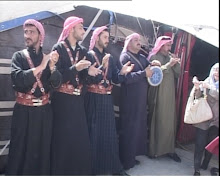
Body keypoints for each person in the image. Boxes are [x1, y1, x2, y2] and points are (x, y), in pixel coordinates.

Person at [6, 19, 61, 175]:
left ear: (40, 36)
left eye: (32, 32)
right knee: (20, 148)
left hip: (44, 112)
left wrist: (52, 68)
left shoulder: (47, 58)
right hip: (23, 111)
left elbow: (56, 84)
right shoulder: (19, 56)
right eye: (25, 32)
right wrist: (41, 67)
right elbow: (17, 78)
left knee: (42, 148)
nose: (27, 35)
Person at [50, 16, 101, 175]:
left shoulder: (84, 51)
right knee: (63, 140)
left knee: (78, 140)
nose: (83, 31)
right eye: (80, 27)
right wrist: (75, 68)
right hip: (62, 103)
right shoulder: (57, 49)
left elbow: (85, 78)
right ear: (71, 29)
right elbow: (55, 79)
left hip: (78, 102)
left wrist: (90, 74)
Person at [84, 26, 133, 175]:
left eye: (108, 38)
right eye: (104, 37)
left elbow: (115, 78)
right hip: (92, 99)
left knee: (109, 135)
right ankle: (92, 169)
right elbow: (87, 78)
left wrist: (123, 72)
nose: (107, 40)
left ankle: (114, 168)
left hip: (106, 100)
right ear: (97, 37)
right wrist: (101, 65)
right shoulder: (88, 56)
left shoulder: (110, 57)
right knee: (93, 134)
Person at [118, 33, 161, 170]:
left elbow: (150, 69)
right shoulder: (125, 57)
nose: (138, 42)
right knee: (128, 130)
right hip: (130, 101)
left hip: (140, 101)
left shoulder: (142, 58)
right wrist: (143, 74)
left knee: (137, 131)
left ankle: (131, 157)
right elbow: (126, 79)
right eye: (135, 40)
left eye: (139, 40)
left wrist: (154, 64)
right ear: (128, 43)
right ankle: (124, 161)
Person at [147, 35, 181, 162]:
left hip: (170, 95)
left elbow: (178, 73)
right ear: (160, 46)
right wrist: (168, 65)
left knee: (170, 122)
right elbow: (154, 73)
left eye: (170, 46)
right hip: (158, 94)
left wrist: (175, 63)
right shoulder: (153, 57)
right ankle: (154, 151)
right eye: (167, 45)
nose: (169, 48)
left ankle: (169, 150)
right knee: (158, 121)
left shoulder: (170, 57)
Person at [192, 63, 219, 176]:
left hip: (216, 120)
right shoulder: (207, 81)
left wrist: (211, 89)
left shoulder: (209, 85)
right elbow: (198, 97)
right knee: (199, 144)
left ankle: (205, 164)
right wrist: (197, 87)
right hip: (203, 118)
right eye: (216, 70)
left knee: (211, 145)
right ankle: (196, 169)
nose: (217, 73)